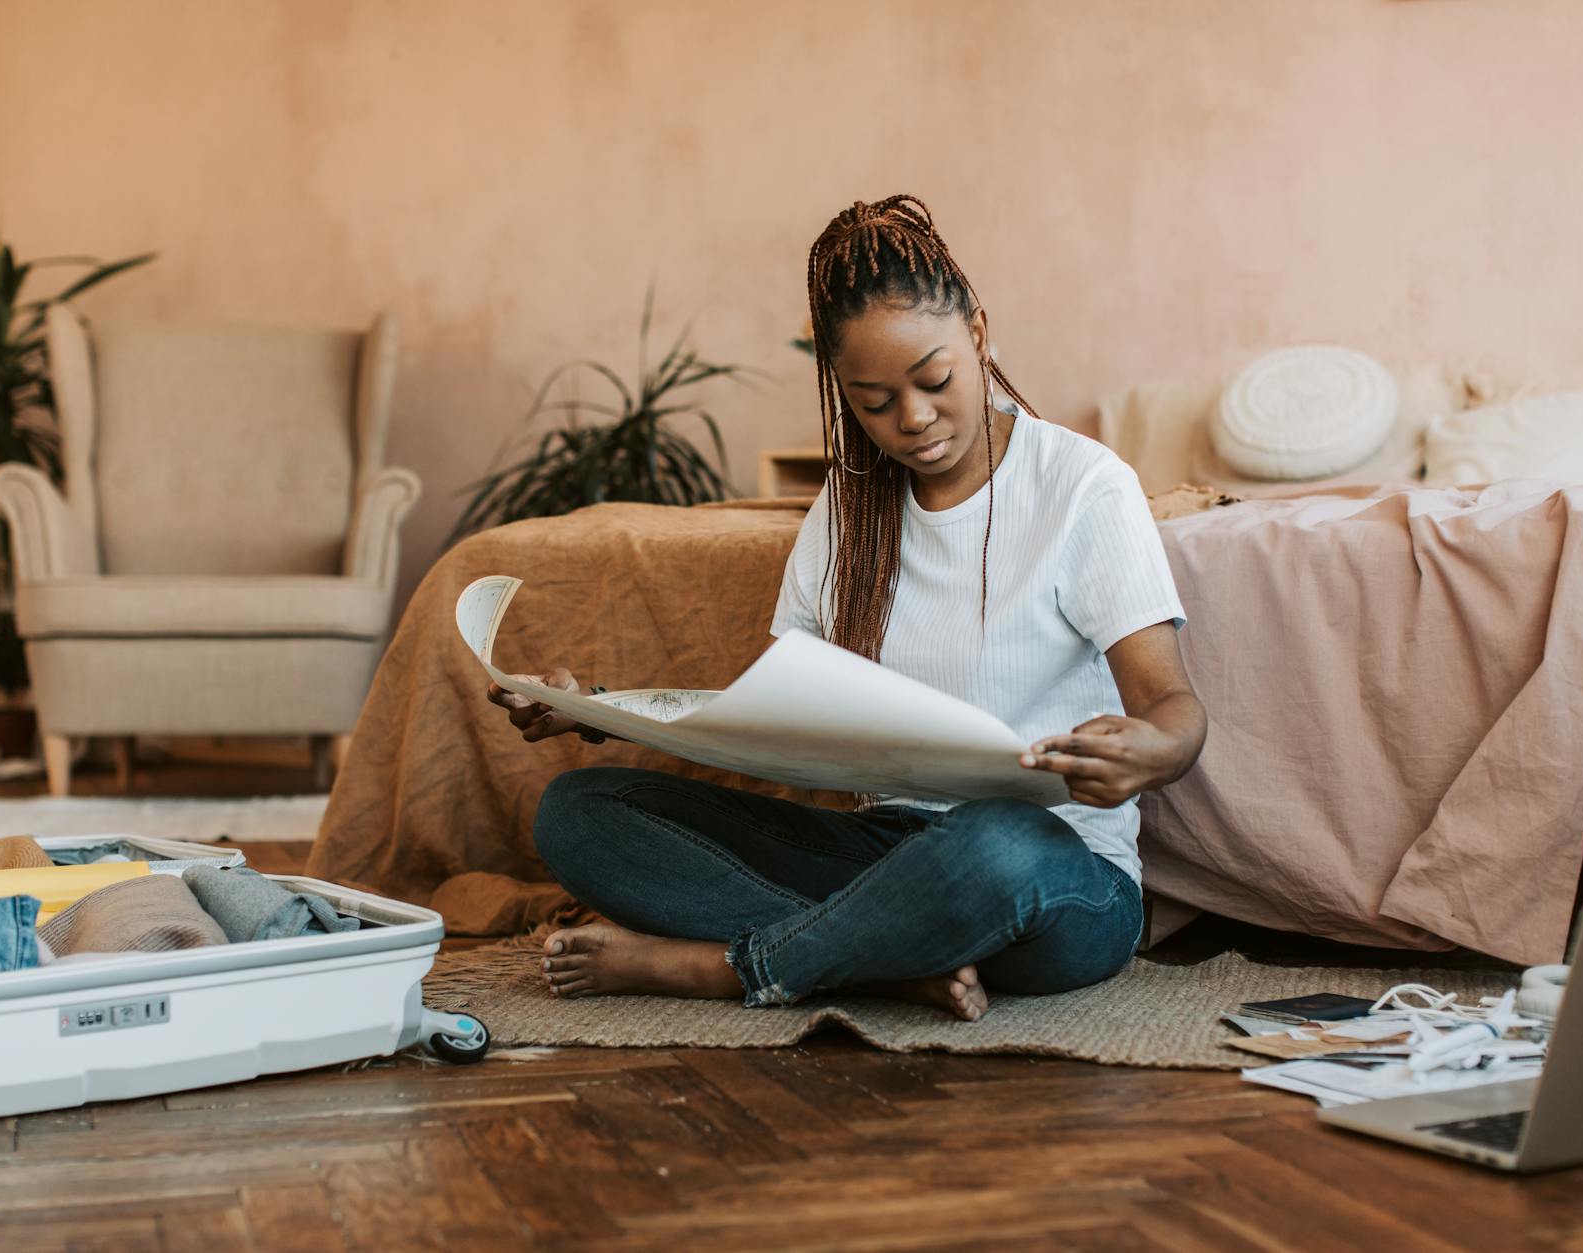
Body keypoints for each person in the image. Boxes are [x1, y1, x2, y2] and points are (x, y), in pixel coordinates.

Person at [488, 195, 1206, 1021]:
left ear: (977, 333)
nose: (914, 419)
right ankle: (879, 961)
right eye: (873, 401)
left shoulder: (1082, 486)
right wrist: (600, 711)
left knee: (1000, 840)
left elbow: (1174, 707)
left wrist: (1152, 749)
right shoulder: (847, 510)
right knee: (579, 813)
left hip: (1057, 877)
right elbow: (772, 713)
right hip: (881, 853)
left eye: (934, 380)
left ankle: (729, 966)